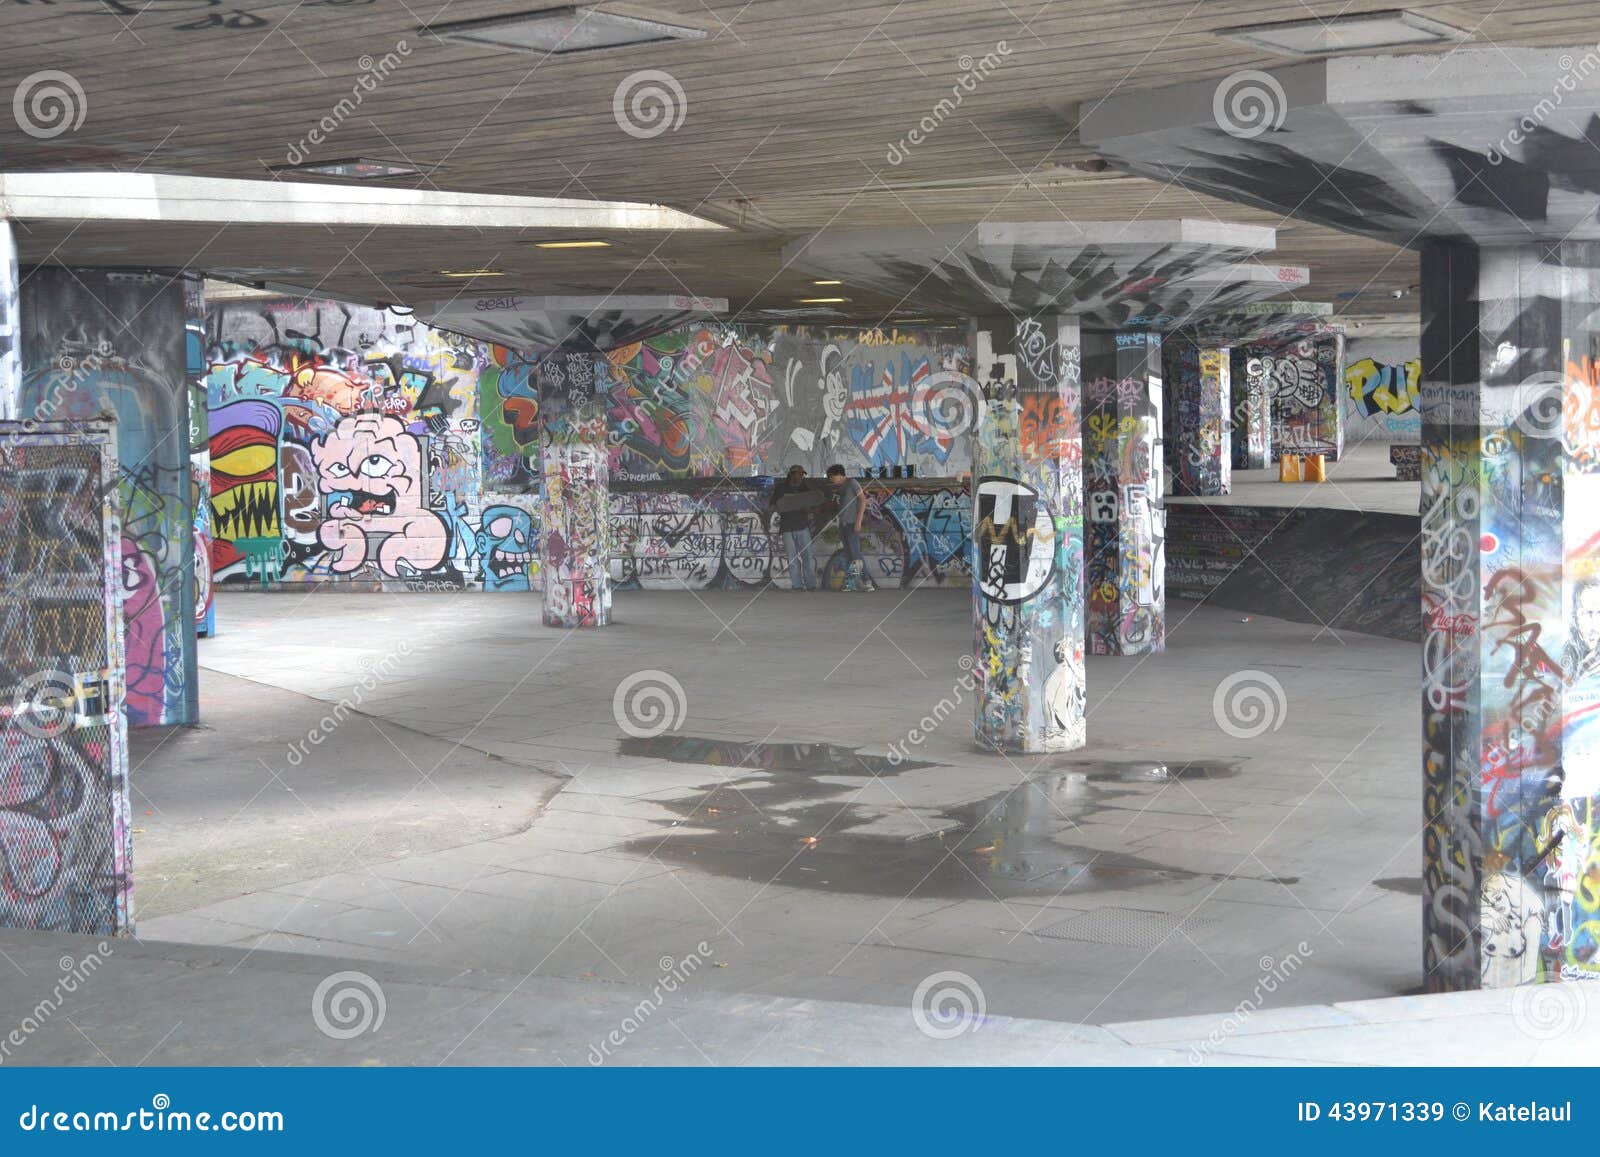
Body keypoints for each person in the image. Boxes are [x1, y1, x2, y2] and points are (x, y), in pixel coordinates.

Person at [769, 465, 820, 591]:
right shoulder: (781, 488)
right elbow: (772, 506)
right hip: (787, 526)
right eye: (799, 474)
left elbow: (815, 506)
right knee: (792, 558)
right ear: (792, 474)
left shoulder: (805, 488)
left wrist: (809, 509)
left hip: (802, 525)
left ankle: (811, 584)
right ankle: (797, 585)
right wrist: (780, 507)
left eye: (802, 474)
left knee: (807, 556)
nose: (801, 476)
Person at [826, 464, 875, 592]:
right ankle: (853, 582)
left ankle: (867, 581)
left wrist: (858, 521)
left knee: (855, 553)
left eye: (832, 477)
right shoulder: (841, 488)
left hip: (852, 523)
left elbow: (863, 500)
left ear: (839, 475)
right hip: (843, 524)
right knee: (849, 553)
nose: (831, 480)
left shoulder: (852, 483)